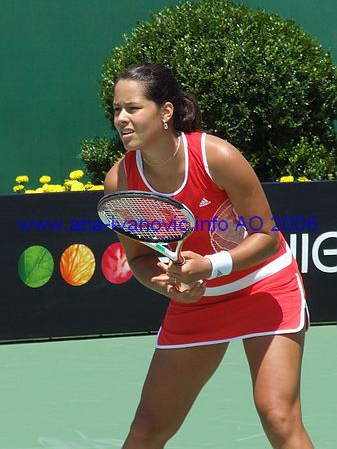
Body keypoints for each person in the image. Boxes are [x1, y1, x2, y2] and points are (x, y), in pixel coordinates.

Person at [104, 62, 314, 449]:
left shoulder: (215, 155)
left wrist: (210, 266)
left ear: (165, 111)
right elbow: (138, 260)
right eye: (116, 109)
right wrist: (167, 286)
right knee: (146, 431)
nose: (121, 119)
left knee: (278, 417)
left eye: (133, 108)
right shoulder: (119, 180)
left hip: (263, 288)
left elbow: (266, 236)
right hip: (198, 306)